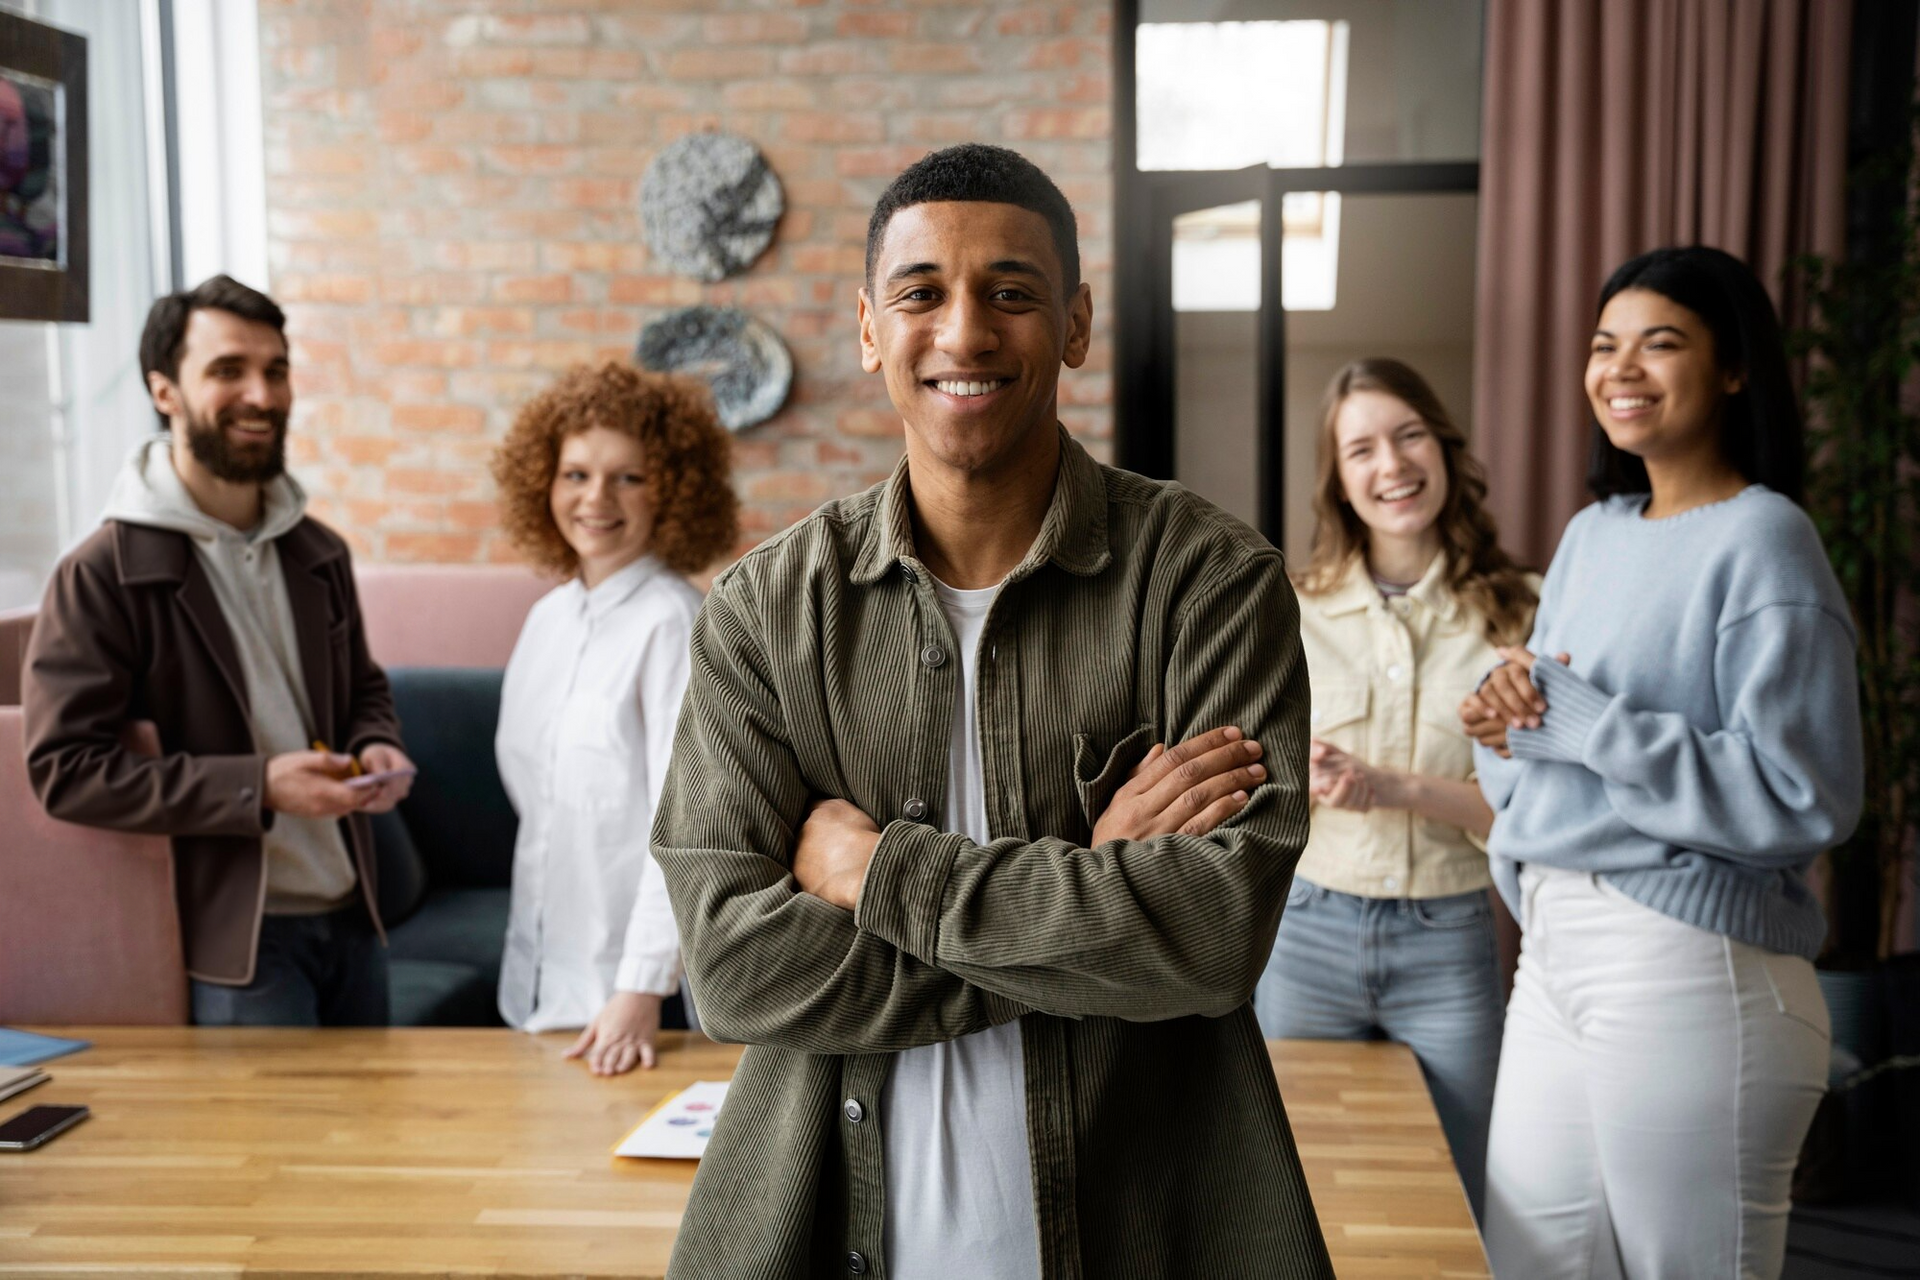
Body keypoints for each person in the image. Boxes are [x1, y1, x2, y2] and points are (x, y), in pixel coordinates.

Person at [652, 143, 1332, 1279]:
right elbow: (733, 969)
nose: (964, 332)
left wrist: (877, 875)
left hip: (1145, 1223)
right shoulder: (766, 611)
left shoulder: (1209, 580)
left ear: (1073, 324)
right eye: (922, 293)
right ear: (871, 329)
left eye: (1010, 293)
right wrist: (1091, 881)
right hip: (835, 1227)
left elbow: (1214, 936)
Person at [1462, 245, 1861, 1278]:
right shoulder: (1593, 534)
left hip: (1690, 952)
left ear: (1733, 369)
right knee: (1533, 1262)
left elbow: (1804, 792)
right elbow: (1552, 761)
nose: (1621, 368)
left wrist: (1590, 722)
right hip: (1554, 946)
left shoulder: (1766, 539)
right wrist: (1506, 729)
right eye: (1604, 345)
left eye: (1660, 342)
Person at [24, 274, 414, 1027]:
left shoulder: (317, 551)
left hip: (355, 915)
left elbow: (362, 686)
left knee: (371, 1146)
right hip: (242, 943)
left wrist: (376, 744)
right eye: (228, 371)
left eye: (274, 370)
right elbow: (63, 771)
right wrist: (258, 786)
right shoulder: (99, 574)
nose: (262, 396)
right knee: (272, 1151)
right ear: (164, 390)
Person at [1253, 358, 1536, 1222]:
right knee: (1292, 1194)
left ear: (1444, 449)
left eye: (1409, 435)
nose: (1392, 465)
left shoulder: (1522, 613)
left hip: (1448, 940)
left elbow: (1533, 820)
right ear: (1338, 480)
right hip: (1307, 936)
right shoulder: (1287, 609)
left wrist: (1394, 787)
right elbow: (1241, 796)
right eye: (1362, 448)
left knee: (1460, 1193)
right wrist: (1289, 781)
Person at [490, 361, 738, 1075]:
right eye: (575, 475)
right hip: (537, 980)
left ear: (674, 490)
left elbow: (687, 828)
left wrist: (638, 987)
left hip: (637, 1002)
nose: (596, 498)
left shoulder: (675, 626)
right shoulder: (546, 620)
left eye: (629, 476)